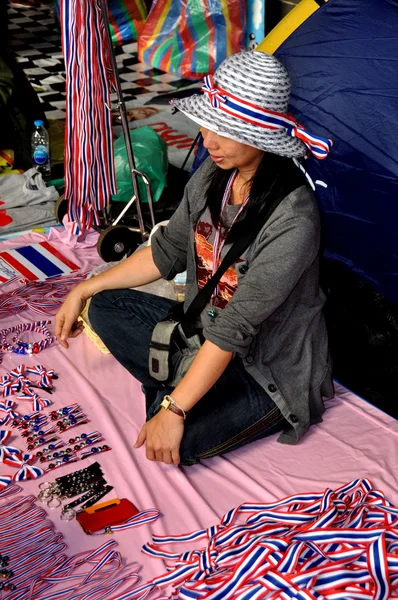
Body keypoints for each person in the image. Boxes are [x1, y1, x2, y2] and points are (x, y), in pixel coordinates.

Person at [55, 51, 334, 466]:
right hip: (202, 331)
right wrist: (85, 287)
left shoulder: (294, 219)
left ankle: (175, 391)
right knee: (105, 305)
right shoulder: (214, 174)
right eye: (208, 126)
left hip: (265, 369)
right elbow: (167, 252)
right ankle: (181, 385)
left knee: (179, 444)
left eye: (226, 131)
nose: (208, 141)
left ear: (260, 135)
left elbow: (236, 328)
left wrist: (174, 410)